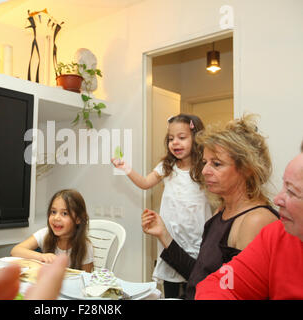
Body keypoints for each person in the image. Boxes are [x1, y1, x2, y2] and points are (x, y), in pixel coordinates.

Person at [141, 114, 279, 299]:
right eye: (205, 162)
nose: (205, 171)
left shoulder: (254, 221)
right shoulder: (221, 213)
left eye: (216, 164)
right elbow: (200, 278)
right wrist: (163, 234)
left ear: (246, 169)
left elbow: (237, 293)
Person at [112, 114, 212, 298]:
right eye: (171, 139)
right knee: (171, 291)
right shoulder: (167, 166)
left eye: (182, 138)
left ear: (196, 138)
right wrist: (126, 168)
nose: (175, 143)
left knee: (197, 289)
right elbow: (144, 183)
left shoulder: (204, 169)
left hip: (196, 242)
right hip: (170, 241)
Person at [195, 150, 303, 299]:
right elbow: (219, 283)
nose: (277, 199)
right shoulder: (276, 234)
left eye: (291, 191)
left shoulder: (256, 220)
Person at [11, 189, 94, 272]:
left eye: (64, 213)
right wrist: (41, 256)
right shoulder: (45, 233)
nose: (56, 218)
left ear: (78, 219)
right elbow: (15, 251)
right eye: (53, 212)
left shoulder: (85, 246)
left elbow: (87, 279)